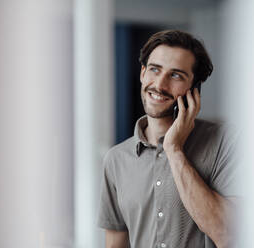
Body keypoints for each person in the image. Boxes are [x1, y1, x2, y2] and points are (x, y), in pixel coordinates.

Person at [97, 30, 239, 248]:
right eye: (154, 70)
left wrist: (174, 149)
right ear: (143, 73)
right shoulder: (116, 159)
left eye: (175, 75)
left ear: (194, 90)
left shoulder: (225, 143)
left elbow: (227, 235)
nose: (160, 85)